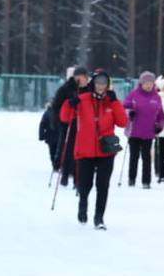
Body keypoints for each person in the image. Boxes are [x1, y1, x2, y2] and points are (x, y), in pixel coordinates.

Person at [59, 70, 128, 229]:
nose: (100, 87)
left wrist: (115, 102)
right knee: (85, 183)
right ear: (93, 84)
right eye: (98, 83)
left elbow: (123, 122)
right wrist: (70, 104)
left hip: (106, 150)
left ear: (108, 86)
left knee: (103, 185)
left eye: (104, 84)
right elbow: (65, 117)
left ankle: (99, 217)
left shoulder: (111, 102)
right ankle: (83, 204)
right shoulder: (83, 99)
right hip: (86, 149)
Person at [123, 71, 164, 188]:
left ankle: (146, 181)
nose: (148, 85)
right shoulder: (134, 94)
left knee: (146, 158)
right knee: (134, 157)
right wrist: (129, 113)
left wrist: (160, 126)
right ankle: (131, 179)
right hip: (134, 131)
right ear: (141, 83)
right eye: (146, 82)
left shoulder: (156, 97)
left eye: (151, 83)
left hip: (148, 132)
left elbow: (161, 116)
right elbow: (124, 107)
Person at [50, 66, 91, 187]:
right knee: (68, 149)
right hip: (68, 123)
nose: (82, 79)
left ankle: (76, 176)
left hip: (84, 124)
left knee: (80, 151)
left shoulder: (89, 89)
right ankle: (65, 173)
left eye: (84, 77)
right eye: (79, 76)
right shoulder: (66, 89)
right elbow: (56, 106)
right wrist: (59, 121)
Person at [39, 102, 59, 168]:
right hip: (59, 136)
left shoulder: (46, 113)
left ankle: (54, 165)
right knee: (58, 151)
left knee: (52, 151)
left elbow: (42, 125)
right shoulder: (59, 112)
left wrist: (41, 136)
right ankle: (59, 164)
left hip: (49, 136)